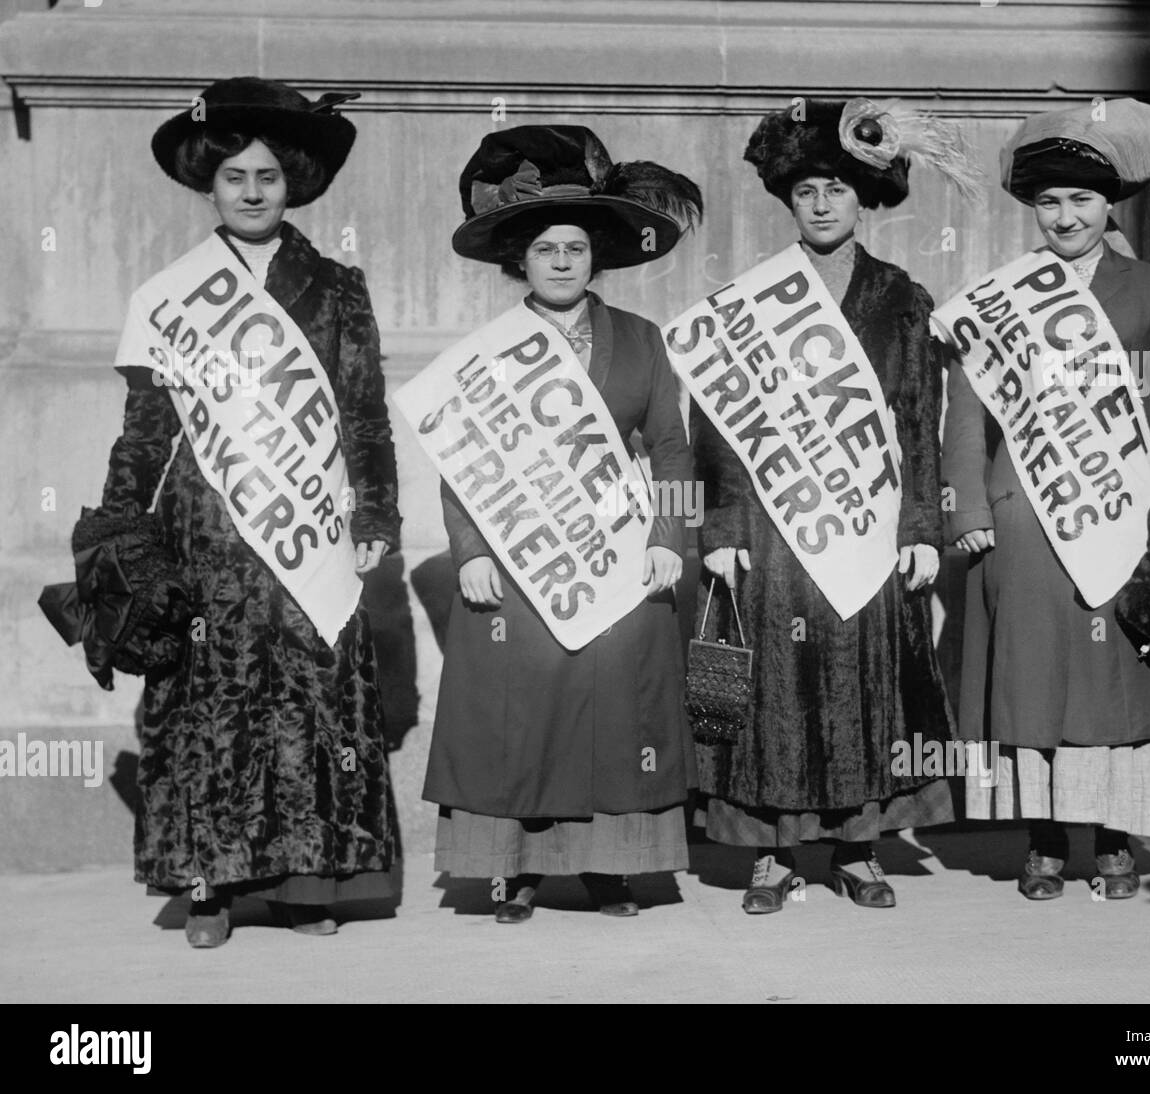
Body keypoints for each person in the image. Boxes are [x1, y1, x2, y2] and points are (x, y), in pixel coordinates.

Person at [101, 77, 402, 946]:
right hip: (207, 533)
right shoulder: (169, 297)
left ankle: (309, 886)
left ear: (293, 182)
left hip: (311, 529)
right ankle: (209, 890)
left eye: (267, 175)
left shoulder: (340, 288)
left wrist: (375, 514)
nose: (252, 191)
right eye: (235, 177)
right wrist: (122, 532)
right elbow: (144, 434)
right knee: (209, 709)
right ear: (210, 185)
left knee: (309, 705)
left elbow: (365, 416)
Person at [693, 99, 973, 914]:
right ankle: (776, 855)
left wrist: (923, 528)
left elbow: (920, 418)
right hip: (775, 535)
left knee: (865, 689)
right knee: (777, 692)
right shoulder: (750, 299)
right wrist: (719, 527)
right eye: (809, 189)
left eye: (839, 189)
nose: (822, 203)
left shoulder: (901, 297)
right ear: (790, 199)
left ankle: (857, 847)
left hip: (868, 526)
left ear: (864, 201)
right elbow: (714, 427)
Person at [423, 125, 703, 923]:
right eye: (544, 249)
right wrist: (470, 551)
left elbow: (675, 453)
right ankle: (516, 871)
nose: (560, 262)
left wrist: (666, 539)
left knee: (618, 706)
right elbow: (461, 458)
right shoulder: (489, 351)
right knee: (527, 709)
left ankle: (614, 868)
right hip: (521, 554)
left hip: (616, 553)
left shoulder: (642, 342)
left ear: (596, 257)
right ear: (520, 261)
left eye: (575, 248)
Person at [941, 98, 1150, 900]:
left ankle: (1117, 841)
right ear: (1034, 208)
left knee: (1116, 678)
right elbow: (967, 411)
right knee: (1036, 678)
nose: (1066, 216)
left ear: (1109, 206)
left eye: (1082, 200)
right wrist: (970, 510)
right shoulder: (999, 297)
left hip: (1126, 514)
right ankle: (1046, 841)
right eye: (1050, 201)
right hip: (1024, 517)